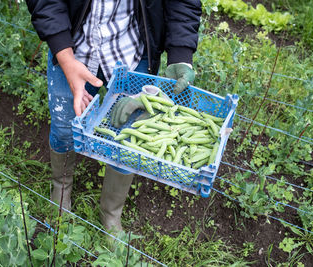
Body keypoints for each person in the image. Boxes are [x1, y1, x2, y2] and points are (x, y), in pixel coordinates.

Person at [26, 0, 202, 233]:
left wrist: (181, 54)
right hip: (73, 48)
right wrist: (65, 58)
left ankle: (111, 213)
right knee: (64, 126)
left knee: (129, 141)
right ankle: (61, 186)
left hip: (132, 52)